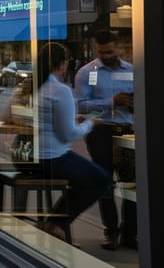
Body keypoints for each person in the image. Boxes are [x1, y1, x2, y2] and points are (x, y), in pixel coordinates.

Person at [32, 42, 112, 242]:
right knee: (101, 180)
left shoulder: (33, 87)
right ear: (62, 64)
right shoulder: (60, 90)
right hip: (52, 157)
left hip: (30, 156)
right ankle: (56, 223)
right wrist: (90, 124)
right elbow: (68, 134)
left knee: (85, 176)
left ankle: (52, 222)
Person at [74, 30, 136, 249]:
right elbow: (81, 105)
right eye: (102, 52)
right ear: (95, 49)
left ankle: (131, 234)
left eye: (110, 51)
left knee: (131, 184)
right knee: (105, 181)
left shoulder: (131, 70)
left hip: (127, 129)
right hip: (101, 131)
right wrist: (112, 101)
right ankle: (111, 231)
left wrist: (131, 103)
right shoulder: (86, 72)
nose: (107, 56)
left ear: (118, 48)